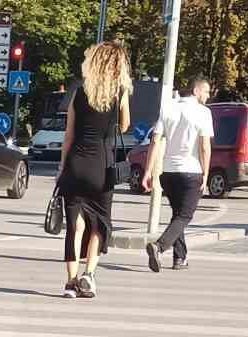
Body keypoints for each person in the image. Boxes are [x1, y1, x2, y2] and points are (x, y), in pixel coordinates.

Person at [56, 41, 131, 299]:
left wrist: (62, 167)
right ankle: (89, 274)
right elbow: (125, 126)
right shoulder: (119, 94)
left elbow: (68, 135)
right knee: (100, 223)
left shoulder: (79, 92)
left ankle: (70, 282)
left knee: (74, 226)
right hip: (101, 165)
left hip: (76, 163)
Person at [144, 75, 214, 274]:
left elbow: (155, 141)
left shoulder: (168, 107)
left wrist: (148, 171)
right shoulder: (203, 113)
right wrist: (206, 173)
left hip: (168, 172)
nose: (208, 96)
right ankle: (159, 246)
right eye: (206, 92)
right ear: (196, 91)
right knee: (185, 215)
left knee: (177, 215)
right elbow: (204, 146)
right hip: (191, 171)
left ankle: (180, 258)